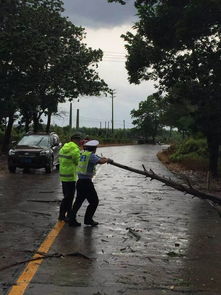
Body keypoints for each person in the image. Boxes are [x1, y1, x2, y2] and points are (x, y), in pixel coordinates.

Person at [68, 140, 112, 227]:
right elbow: (100, 161)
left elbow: (99, 158)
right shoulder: (91, 156)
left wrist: (104, 159)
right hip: (86, 183)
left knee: (78, 202)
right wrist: (108, 160)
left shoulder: (84, 154)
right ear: (94, 148)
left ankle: (71, 220)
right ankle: (88, 220)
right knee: (94, 201)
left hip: (80, 181)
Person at [58, 133, 82, 222]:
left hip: (63, 175)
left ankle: (67, 215)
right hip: (70, 176)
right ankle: (62, 215)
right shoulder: (75, 149)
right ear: (75, 140)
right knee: (68, 197)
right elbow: (78, 162)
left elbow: (60, 159)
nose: (80, 142)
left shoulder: (64, 148)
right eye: (79, 140)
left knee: (67, 196)